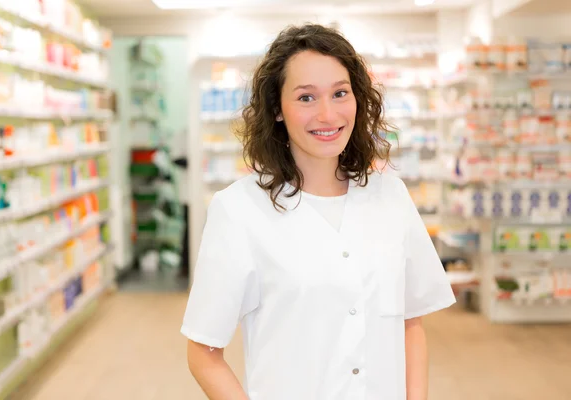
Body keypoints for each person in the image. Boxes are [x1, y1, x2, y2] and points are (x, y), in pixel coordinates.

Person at [181, 23, 456, 400]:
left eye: (340, 93)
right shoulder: (239, 210)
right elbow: (203, 352)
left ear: (358, 100)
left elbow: (411, 324)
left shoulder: (390, 196)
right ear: (278, 109)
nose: (327, 114)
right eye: (306, 98)